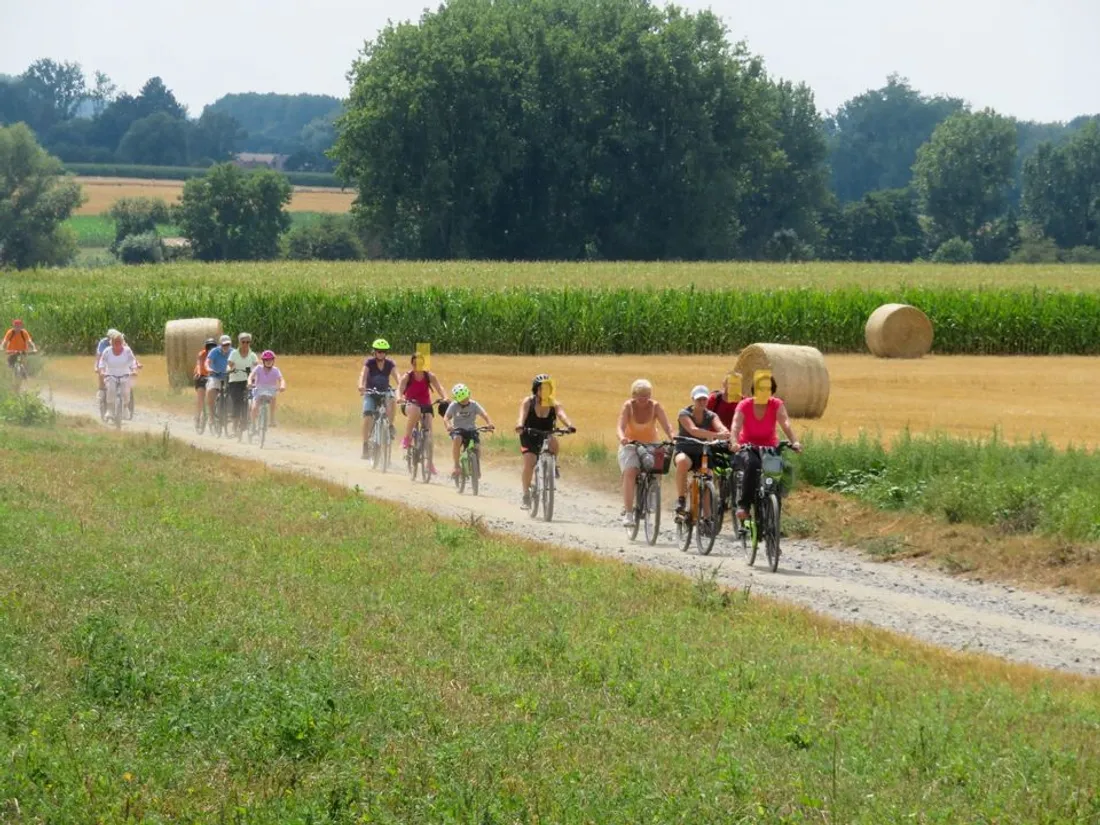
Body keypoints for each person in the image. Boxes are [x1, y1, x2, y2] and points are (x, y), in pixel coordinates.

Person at [730, 374, 803, 525]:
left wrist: (794, 441)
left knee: (778, 476)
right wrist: (735, 442)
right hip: (747, 447)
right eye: (761, 388)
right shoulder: (744, 405)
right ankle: (744, 505)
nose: (764, 391)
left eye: (768, 388)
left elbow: (785, 423)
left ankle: (773, 521)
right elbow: (736, 426)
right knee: (752, 465)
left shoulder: (776, 404)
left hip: (769, 448)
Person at [616, 379, 674, 527]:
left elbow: (667, 426)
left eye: (647, 395)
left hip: (651, 444)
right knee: (630, 472)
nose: (644, 399)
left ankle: (653, 494)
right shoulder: (628, 406)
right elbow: (620, 426)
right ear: (633, 395)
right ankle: (629, 513)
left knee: (659, 465)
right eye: (641, 396)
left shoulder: (655, 406)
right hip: (631, 445)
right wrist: (622, 438)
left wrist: (673, 437)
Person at [514, 374, 576, 509]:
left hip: (546, 434)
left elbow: (561, 415)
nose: (545, 391)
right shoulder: (528, 402)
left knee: (553, 442)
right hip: (529, 434)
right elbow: (521, 416)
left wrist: (569, 425)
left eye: (548, 388)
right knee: (529, 463)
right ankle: (526, 495)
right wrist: (520, 426)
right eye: (542, 388)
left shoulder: (554, 403)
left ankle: (553, 465)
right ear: (536, 390)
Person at [673, 385, 730, 517]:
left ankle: (707, 517)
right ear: (693, 399)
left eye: (704, 399)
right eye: (699, 400)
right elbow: (693, 430)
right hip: (685, 450)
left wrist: (724, 431)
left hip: (703, 452)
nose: (702, 402)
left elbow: (720, 426)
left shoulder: (711, 415)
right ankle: (681, 500)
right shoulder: (684, 414)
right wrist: (716, 435)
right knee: (682, 462)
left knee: (707, 477)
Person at [397, 353, 447, 472]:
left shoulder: (429, 376)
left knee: (429, 434)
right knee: (415, 410)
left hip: (425, 405)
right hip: (410, 404)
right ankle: (407, 438)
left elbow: (439, 387)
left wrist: (445, 397)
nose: (417, 366)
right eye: (415, 364)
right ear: (412, 364)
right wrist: (399, 398)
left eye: (419, 363)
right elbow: (400, 388)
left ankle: (429, 463)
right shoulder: (407, 376)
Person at [358, 338, 399, 459]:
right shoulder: (369, 363)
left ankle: (390, 426)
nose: (381, 353)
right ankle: (365, 445)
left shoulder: (390, 364)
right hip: (371, 392)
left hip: (384, 392)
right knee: (368, 415)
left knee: (392, 400)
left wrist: (401, 387)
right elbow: (362, 375)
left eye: (383, 351)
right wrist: (361, 386)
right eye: (378, 351)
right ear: (374, 352)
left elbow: (398, 376)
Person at [444, 383, 495, 478]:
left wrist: (489, 423)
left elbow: (484, 414)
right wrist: (448, 426)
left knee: (477, 447)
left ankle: (476, 467)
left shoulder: (474, 405)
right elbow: (446, 417)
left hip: (471, 429)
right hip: (458, 429)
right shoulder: (453, 405)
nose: (465, 401)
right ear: (457, 399)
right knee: (457, 439)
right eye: (462, 400)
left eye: (466, 398)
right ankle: (456, 465)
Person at [96, 331, 142, 413]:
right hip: (109, 370)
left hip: (123, 373)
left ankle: (125, 407)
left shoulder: (125, 348)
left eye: (119, 341)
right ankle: (105, 399)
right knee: (109, 387)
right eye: (114, 341)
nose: (117, 343)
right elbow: (100, 359)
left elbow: (132, 359)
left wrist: (135, 368)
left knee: (126, 390)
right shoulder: (104, 346)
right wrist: (100, 370)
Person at [227, 332, 259, 434]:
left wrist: (256, 376)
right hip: (235, 381)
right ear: (239, 342)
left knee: (248, 401)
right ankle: (235, 425)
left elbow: (257, 367)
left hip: (248, 381)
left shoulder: (253, 355)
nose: (245, 344)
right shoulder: (234, 354)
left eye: (247, 342)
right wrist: (229, 370)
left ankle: (246, 422)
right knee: (237, 402)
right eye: (243, 342)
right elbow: (229, 365)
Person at [247, 350, 286, 427]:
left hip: (270, 390)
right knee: (255, 407)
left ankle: (271, 419)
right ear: (263, 361)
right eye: (266, 360)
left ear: (273, 361)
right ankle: (253, 424)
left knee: (273, 399)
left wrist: (282, 386)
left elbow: (281, 379)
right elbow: (251, 376)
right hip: (259, 389)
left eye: (270, 360)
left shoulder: (276, 370)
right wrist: (249, 382)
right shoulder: (258, 368)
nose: (268, 361)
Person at [204, 334, 233, 420]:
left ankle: (230, 413)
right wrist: (208, 368)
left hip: (229, 376)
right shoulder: (214, 351)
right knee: (211, 390)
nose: (226, 346)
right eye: (224, 344)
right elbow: (207, 362)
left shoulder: (234, 352)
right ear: (220, 344)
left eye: (228, 344)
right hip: (215, 375)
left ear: (230, 344)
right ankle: (211, 416)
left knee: (234, 393)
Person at [3, 319, 37, 386]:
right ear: (13, 326)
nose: (17, 328)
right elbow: (5, 341)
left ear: (21, 326)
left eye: (19, 326)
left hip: (22, 352)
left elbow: (30, 341)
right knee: (9, 367)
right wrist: (1, 347)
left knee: (24, 366)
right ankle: (8, 381)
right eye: (16, 326)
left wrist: (34, 348)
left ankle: (27, 382)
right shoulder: (10, 332)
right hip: (11, 352)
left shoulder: (23, 332)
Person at [192, 337, 217, 426]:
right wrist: (198, 373)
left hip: (212, 377)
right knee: (201, 397)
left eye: (213, 346)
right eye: (209, 346)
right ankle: (198, 416)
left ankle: (213, 417)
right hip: (201, 376)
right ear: (206, 347)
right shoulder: (202, 354)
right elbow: (199, 364)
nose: (211, 348)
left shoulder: (217, 355)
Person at [94, 328, 121, 407]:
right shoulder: (103, 343)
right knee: (101, 372)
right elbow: (99, 356)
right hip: (104, 361)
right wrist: (97, 367)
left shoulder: (121, 342)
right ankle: (101, 390)